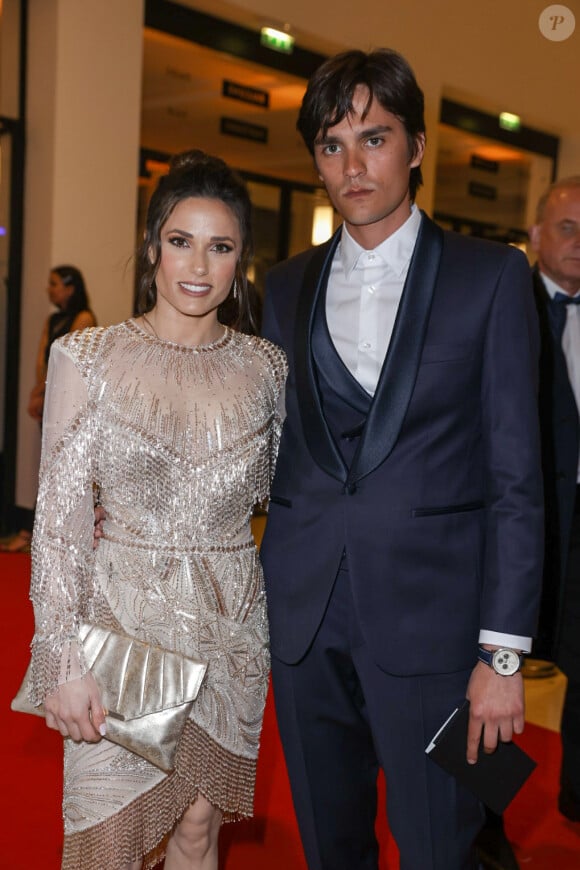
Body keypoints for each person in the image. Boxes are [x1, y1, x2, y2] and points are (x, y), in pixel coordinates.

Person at [259, 48, 543, 870]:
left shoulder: (492, 279)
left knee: (436, 847)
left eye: (374, 139)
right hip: (303, 620)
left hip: (437, 628)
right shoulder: (285, 287)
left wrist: (502, 656)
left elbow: (517, 482)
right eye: (332, 145)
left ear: (417, 146)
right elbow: (260, 449)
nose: (353, 165)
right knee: (328, 844)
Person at [25, 150, 287, 870]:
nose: (198, 264)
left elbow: (298, 494)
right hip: (123, 624)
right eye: (181, 241)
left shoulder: (267, 370)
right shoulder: (88, 358)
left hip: (231, 632)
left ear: (241, 261)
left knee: (200, 833)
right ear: (151, 250)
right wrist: (62, 661)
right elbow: (58, 527)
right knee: (107, 840)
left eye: (221, 245)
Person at [528, 176, 580, 822]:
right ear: (536, 235)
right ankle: (480, 826)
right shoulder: (504, 305)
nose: (578, 243)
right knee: (495, 676)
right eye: (566, 228)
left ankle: (576, 796)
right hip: (525, 522)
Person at [1, 265, 96, 553]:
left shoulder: (84, 318)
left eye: (54, 284)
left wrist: (43, 394)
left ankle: (50, 532)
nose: (50, 289)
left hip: (71, 401)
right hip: (51, 397)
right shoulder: (53, 319)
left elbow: (69, 363)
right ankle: (38, 531)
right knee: (50, 466)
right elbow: (43, 359)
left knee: (66, 467)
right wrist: (37, 393)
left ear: (70, 287)